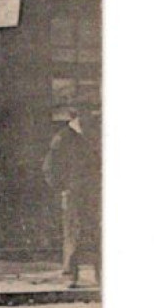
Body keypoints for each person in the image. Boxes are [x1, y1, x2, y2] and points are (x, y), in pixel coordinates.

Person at [42, 105, 101, 288]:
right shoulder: (63, 138)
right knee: (73, 233)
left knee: (97, 232)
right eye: (85, 115)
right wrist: (62, 189)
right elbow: (49, 168)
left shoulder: (93, 135)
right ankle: (70, 275)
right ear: (75, 117)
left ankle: (102, 276)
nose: (90, 119)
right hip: (73, 193)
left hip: (93, 191)